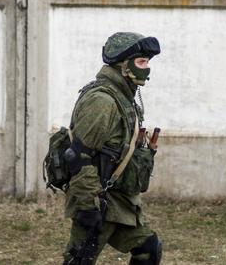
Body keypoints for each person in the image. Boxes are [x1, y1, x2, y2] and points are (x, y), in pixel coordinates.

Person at [62, 31, 163, 265]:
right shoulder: (102, 101)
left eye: (147, 62)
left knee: (148, 248)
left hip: (119, 202)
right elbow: (78, 156)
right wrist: (88, 206)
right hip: (97, 200)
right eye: (141, 62)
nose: (146, 68)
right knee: (80, 260)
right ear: (122, 65)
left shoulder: (124, 97)